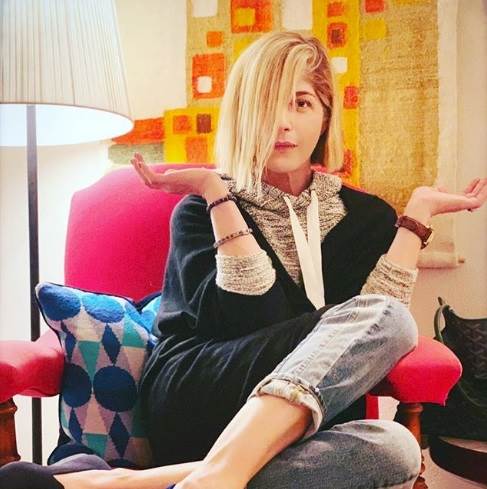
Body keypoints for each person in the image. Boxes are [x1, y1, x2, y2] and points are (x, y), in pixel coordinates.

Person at [1, 30, 486, 489]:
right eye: (266, 104)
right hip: (200, 391)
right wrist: (218, 194)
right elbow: (249, 320)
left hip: (309, 420)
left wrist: (416, 220)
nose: (283, 122)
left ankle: (136, 482)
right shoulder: (198, 209)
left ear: (325, 115)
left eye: (301, 103)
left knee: (394, 448)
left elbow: (377, 339)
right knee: (386, 318)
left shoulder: (367, 217)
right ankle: (214, 472)